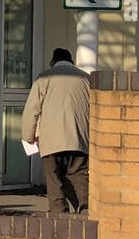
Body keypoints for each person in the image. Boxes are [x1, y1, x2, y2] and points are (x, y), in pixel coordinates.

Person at [21, 48, 91, 214]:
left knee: (54, 180)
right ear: (71, 61)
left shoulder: (45, 77)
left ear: (53, 61)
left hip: (52, 140)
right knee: (79, 175)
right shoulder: (86, 79)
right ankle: (86, 210)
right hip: (79, 139)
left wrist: (28, 136)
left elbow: (32, 110)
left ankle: (59, 213)